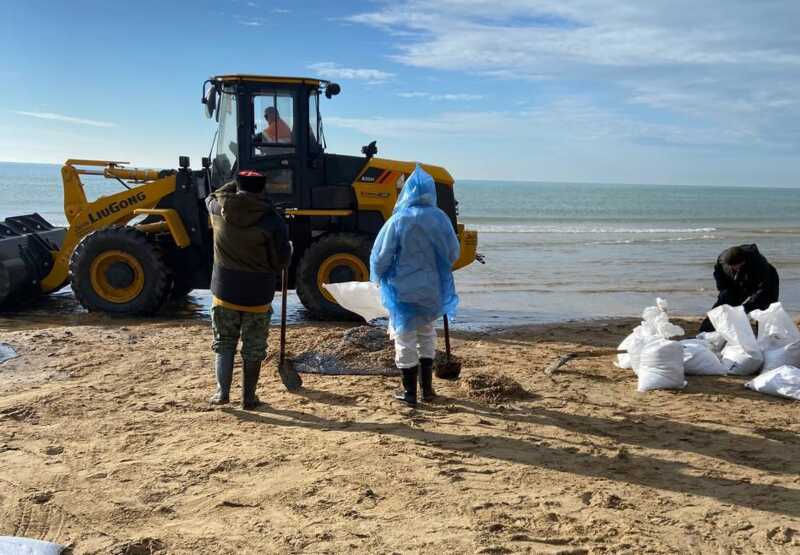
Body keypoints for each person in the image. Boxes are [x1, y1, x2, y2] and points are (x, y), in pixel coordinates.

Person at [370, 165, 461, 406]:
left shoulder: (399, 220)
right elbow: (453, 252)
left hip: (403, 288)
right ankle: (427, 391)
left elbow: (381, 256)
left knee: (404, 336)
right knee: (427, 332)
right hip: (431, 288)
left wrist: (378, 277)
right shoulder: (440, 218)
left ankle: (410, 393)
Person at [205, 170, 292, 408]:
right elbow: (279, 262)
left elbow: (211, 196)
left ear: (237, 185)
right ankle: (249, 398)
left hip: (224, 292)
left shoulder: (217, 210)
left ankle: (222, 394)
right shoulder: (272, 220)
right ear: (262, 188)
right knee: (254, 347)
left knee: (224, 342)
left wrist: (234, 183)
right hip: (257, 295)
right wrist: (289, 251)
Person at [698, 244, 779, 332]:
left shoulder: (759, 263)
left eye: (737, 266)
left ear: (744, 261)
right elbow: (719, 275)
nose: (735, 268)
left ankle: (764, 337)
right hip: (737, 281)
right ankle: (704, 332)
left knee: (765, 309)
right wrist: (724, 290)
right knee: (722, 305)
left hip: (766, 280)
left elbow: (762, 290)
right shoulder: (723, 260)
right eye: (732, 267)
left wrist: (746, 308)